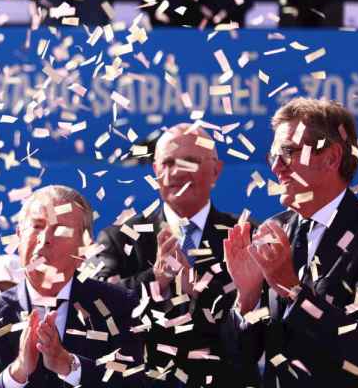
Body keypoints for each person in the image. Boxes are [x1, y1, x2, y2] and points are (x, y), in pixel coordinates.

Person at [96, 123, 258, 387]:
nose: (177, 172)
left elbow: (259, 317)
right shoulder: (119, 238)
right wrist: (155, 279)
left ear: (216, 171)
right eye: (168, 163)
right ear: (155, 172)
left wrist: (200, 291)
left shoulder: (246, 236)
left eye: (190, 161)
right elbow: (97, 304)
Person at [223, 98, 358, 387]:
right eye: (273, 156)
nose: (277, 168)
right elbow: (239, 358)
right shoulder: (275, 230)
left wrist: (292, 290)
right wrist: (246, 300)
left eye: (288, 152)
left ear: (331, 157)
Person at [0, 186, 145, 388]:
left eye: (60, 230)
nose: (44, 240)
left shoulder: (119, 305)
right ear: (18, 236)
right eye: (37, 226)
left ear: (84, 250)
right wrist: (17, 373)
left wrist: (70, 366)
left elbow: (134, 381)